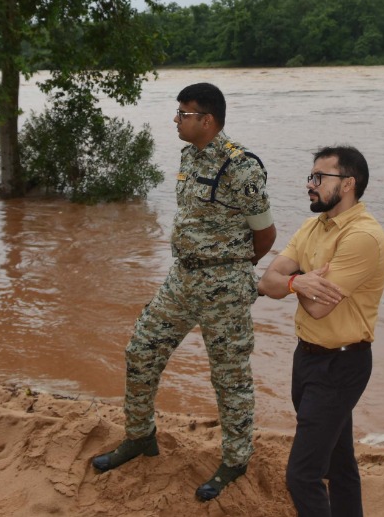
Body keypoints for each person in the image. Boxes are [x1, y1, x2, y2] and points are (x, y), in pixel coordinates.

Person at [91, 82, 276, 502]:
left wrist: (232, 269)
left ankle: (236, 459)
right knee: (141, 350)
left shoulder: (241, 166)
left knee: (229, 377)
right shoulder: (188, 156)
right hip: (181, 279)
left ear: (206, 120)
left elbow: (264, 235)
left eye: (183, 113)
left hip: (223, 286)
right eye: (177, 112)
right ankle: (140, 437)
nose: (176, 119)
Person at [258, 145, 384, 517]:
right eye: (310, 176)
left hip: (341, 365)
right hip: (308, 360)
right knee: (339, 462)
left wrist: (291, 282)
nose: (309, 185)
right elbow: (266, 282)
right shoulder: (312, 226)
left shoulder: (362, 237)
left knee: (302, 476)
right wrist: (299, 283)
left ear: (348, 183)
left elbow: (317, 308)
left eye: (319, 177)